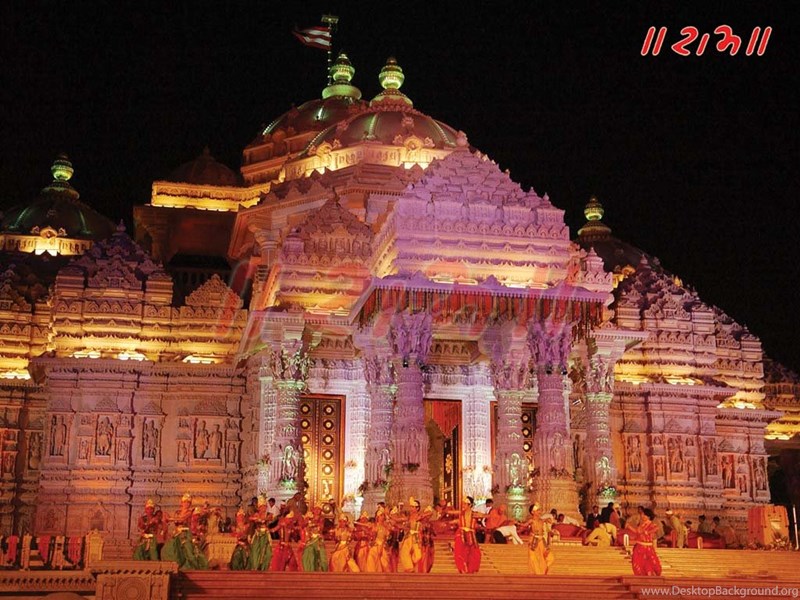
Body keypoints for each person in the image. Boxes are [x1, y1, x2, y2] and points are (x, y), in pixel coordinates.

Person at [161, 493, 209, 570]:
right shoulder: (177, 512)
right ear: (181, 503)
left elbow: (181, 519)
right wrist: (167, 519)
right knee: (167, 548)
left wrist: (169, 519)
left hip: (185, 534)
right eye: (185, 502)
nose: (186, 504)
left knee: (188, 551)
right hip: (177, 534)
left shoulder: (189, 512)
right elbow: (176, 522)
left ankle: (195, 567)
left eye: (188, 502)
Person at [453, 496, 481, 573]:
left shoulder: (474, 514)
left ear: (470, 505)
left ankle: (470, 569)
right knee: (460, 551)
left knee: (474, 553)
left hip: (471, 535)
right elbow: (452, 513)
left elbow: (486, 515)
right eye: (463, 504)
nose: (463, 506)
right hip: (461, 534)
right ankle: (463, 569)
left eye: (465, 504)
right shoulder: (461, 513)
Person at [631, 508, 662, 576]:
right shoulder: (641, 524)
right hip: (639, 547)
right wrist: (629, 527)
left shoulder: (651, 524)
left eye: (644, 515)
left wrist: (648, 532)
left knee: (649, 565)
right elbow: (638, 532)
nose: (642, 516)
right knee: (638, 564)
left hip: (647, 548)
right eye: (642, 514)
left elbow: (656, 528)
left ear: (648, 516)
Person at [248, 496, 273, 570]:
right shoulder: (256, 514)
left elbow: (270, 518)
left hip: (265, 535)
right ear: (259, 508)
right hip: (257, 535)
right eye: (262, 507)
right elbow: (251, 520)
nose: (263, 508)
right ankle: (255, 568)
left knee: (267, 553)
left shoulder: (268, 514)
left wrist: (261, 519)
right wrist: (249, 535)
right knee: (255, 551)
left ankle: (264, 568)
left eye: (265, 507)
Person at [528, 504, 554, 575]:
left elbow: (548, 529)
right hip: (533, 541)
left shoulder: (542, 521)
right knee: (533, 559)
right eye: (537, 510)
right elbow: (524, 526)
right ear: (532, 512)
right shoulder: (531, 521)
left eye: (539, 510)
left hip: (542, 541)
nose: (539, 512)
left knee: (550, 557)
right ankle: (538, 574)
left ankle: (543, 572)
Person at [364, 506, 391, 572]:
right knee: (372, 559)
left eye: (383, 515)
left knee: (385, 564)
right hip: (376, 545)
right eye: (381, 515)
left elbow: (388, 537)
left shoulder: (386, 526)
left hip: (383, 546)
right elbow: (372, 537)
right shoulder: (375, 526)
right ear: (377, 517)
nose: (382, 517)